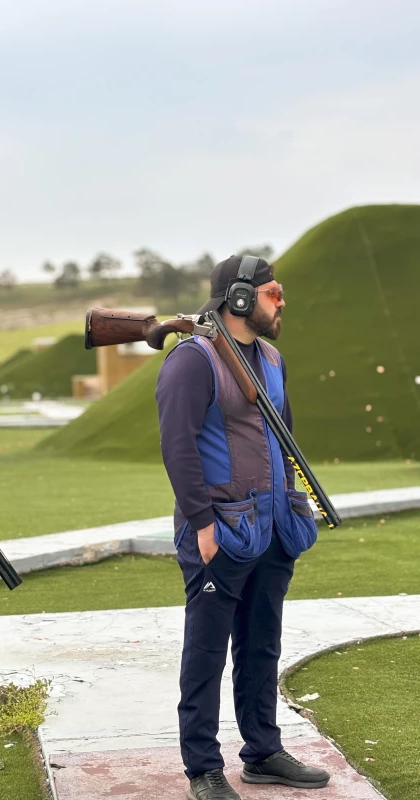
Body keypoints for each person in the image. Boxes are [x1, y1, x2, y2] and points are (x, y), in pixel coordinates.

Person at [155, 256, 330, 800]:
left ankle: (263, 751)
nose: (282, 302)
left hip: (273, 529)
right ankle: (202, 768)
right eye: (274, 292)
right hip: (221, 531)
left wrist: (293, 506)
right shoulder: (193, 360)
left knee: (262, 645)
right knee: (205, 653)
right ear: (239, 297)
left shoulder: (272, 359)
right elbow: (177, 448)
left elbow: (285, 438)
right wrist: (203, 526)